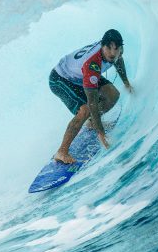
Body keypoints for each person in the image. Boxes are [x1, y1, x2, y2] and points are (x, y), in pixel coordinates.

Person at [48, 29, 134, 164]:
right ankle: (62, 152)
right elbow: (92, 101)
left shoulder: (117, 52)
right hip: (61, 78)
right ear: (102, 46)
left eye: (116, 49)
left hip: (80, 75)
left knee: (112, 94)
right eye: (108, 48)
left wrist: (126, 83)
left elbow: (118, 60)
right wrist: (101, 133)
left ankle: (92, 123)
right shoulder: (92, 64)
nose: (112, 52)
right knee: (85, 109)